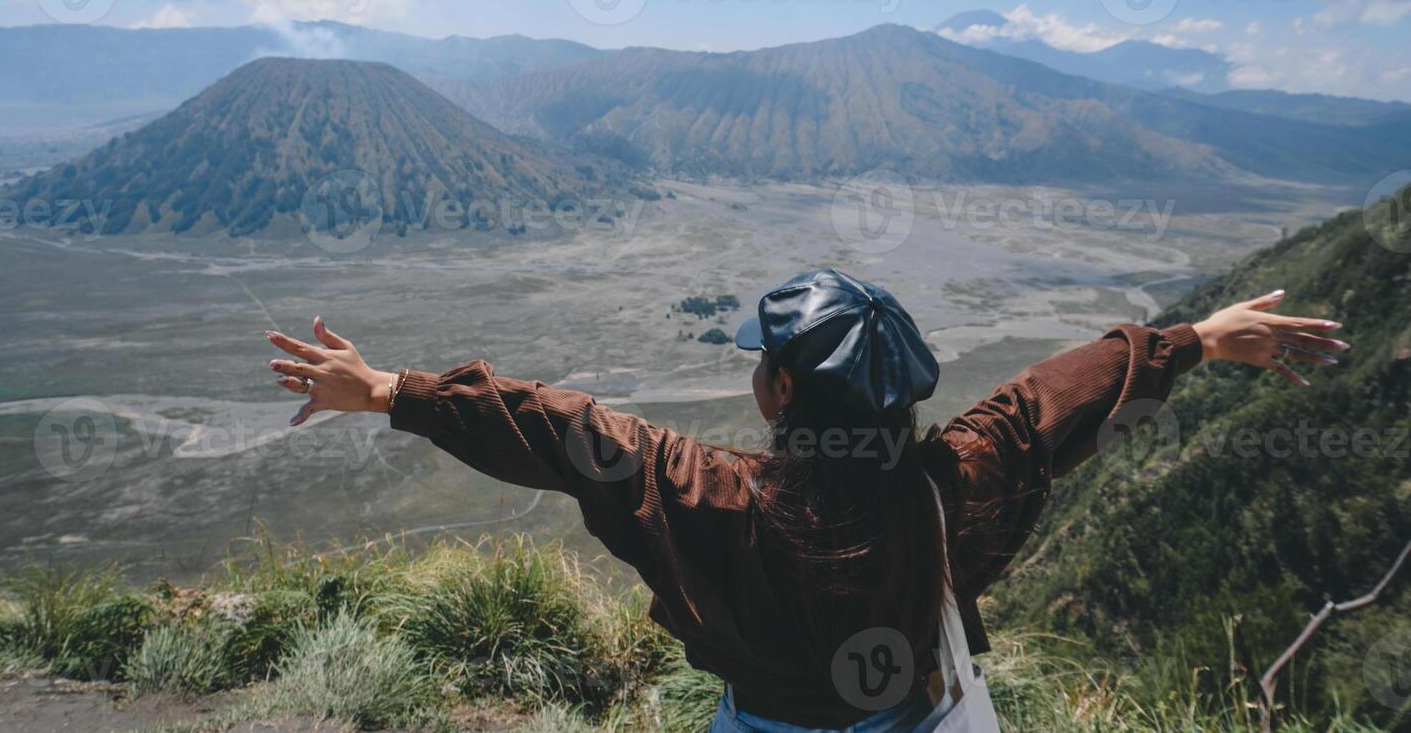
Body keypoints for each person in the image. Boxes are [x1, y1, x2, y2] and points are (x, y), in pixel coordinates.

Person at [262, 269, 1346, 731]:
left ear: (775, 389)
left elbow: (559, 429)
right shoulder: (949, 488)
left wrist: (390, 390)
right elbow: (1046, 404)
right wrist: (1195, 340)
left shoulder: (710, 498)